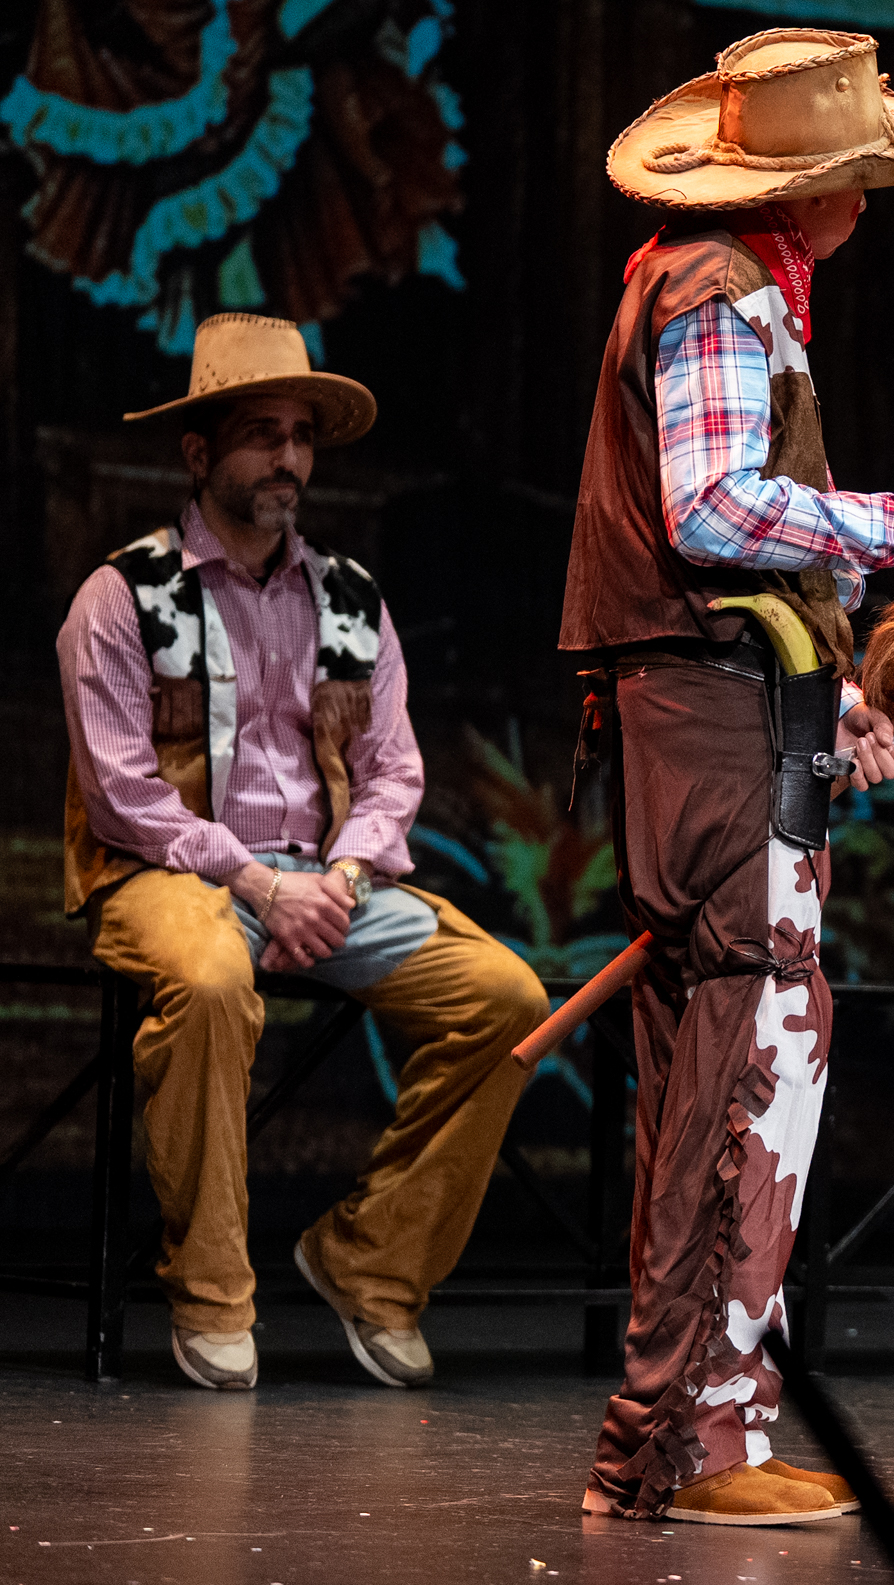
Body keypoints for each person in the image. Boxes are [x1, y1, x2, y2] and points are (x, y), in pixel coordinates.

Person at [562, 29, 894, 1527]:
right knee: (746, 1066)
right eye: (860, 180)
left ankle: (677, 1434)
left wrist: (831, 699)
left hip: (727, 710)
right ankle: (692, 1442)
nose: (871, 204)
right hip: (702, 726)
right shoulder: (715, 285)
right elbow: (708, 513)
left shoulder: (741, 292)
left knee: (747, 1054)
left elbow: (734, 573)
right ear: (816, 190)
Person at [58, 313, 550, 1393]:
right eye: (261, 434)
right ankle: (212, 1288)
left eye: (300, 436)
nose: (288, 458)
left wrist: (342, 875)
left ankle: (373, 1263)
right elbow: (120, 792)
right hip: (176, 874)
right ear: (198, 454)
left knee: (507, 999)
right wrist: (254, 880)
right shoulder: (123, 598)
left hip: (323, 885)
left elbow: (393, 772)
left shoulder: (352, 599)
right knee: (209, 978)